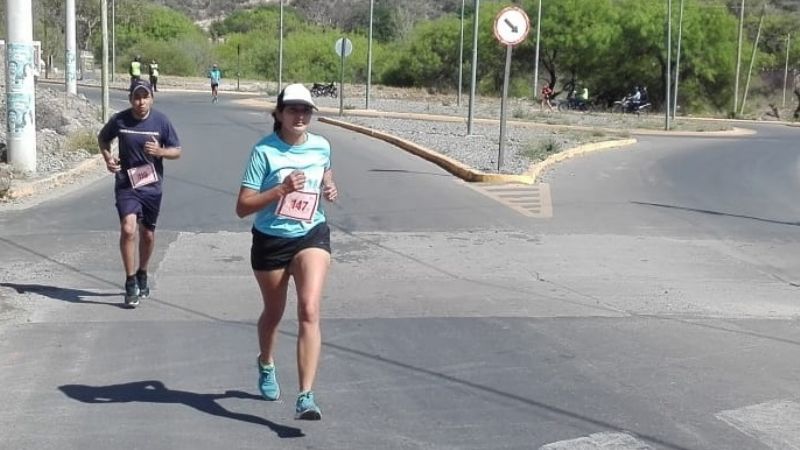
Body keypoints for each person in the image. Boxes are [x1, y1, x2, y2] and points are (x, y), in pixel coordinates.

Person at [235, 83, 338, 421]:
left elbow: (325, 171)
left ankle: (306, 396)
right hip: (271, 239)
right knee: (274, 313)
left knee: (309, 308)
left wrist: (329, 185)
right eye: (293, 109)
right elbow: (242, 206)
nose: (300, 115)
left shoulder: (322, 146)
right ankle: (266, 362)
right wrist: (280, 190)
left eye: (306, 109)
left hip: (311, 232)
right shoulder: (263, 151)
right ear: (278, 113)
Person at [98, 80, 182, 308]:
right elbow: (103, 138)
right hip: (126, 184)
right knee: (128, 229)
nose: (141, 102)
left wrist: (160, 151)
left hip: (151, 186)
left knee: (147, 235)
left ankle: (143, 271)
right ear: (130, 99)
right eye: (136, 97)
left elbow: (177, 151)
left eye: (145, 97)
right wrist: (108, 159)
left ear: (151, 98)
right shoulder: (120, 120)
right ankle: (130, 281)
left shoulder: (161, 121)